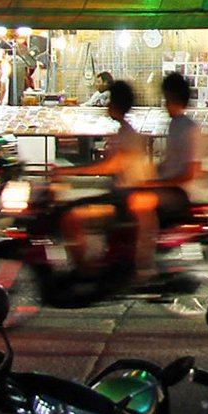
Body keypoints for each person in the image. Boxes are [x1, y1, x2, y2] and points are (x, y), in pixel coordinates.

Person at [56, 80, 158, 280]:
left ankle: (86, 271)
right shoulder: (124, 131)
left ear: (116, 104)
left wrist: (71, 171)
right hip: (121, 196)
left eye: (110, 101)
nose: (106, 106)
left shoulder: (128, 134)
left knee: (70, 217)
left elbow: (113, 166)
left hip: (125, 200)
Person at [151, 71, 206, 225]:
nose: (164, 103)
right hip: (171, 187)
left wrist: (159, 183)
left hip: (182, 192)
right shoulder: (175, 124)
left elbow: (191, 172)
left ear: (172, 98)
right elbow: (171, 162)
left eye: (166, 98)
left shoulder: (190, 128)